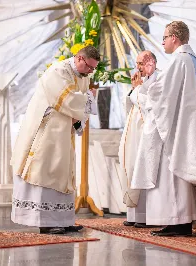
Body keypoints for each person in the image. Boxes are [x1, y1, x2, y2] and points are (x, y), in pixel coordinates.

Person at [131, 21, 196, 236]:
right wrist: (153, 76)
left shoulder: (179, 60)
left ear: (175, 37)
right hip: (183, 123)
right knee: (176, 176)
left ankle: (178, 222)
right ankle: (179, 221)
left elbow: (163, 96)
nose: (163, 41)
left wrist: (144, 85)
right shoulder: (191, 60)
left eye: (165, 37)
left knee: (171, 174)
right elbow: (168, 89)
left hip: (175, 126)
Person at [10, 46, 100, 234]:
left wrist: (79, 115)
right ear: (79, 59)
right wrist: (89, 99)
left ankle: (64, 220)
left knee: (63, 174)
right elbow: (65, 99)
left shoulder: (83, 77)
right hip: (46, 131)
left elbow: (79, 106)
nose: (91, 72)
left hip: (62, 133)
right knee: (45, 172)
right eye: (90, 67)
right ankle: (46, 221)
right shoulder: (58, 71)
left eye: (94, 68)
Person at [119, 51, 159, 228]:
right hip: (134, 130)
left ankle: (144, 216)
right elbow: (131, 102)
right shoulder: (142, 80)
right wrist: (133, 89)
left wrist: (137, 89)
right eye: (137, 63)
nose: (138, 68)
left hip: (146, 131)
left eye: (141, 64)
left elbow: (150, 104)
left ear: (152, 63)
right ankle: (134, 215)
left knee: (141, 167)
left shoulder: (159, 79)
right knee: (131, 165)